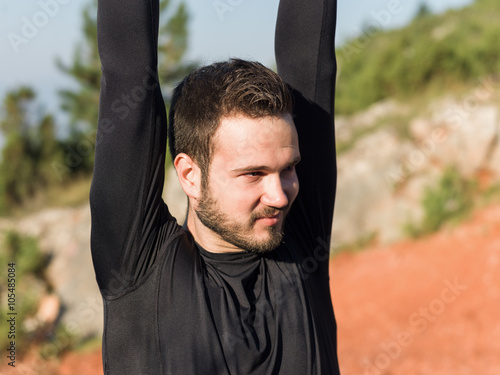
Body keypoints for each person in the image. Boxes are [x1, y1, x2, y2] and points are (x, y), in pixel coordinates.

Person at [90, 0, 339, 373]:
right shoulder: (138, 264)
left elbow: (309, 53)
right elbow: (129, 70)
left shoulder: (301, 242)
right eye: (253, 174)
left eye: (288, 169)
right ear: (190, 175)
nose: (281, 195)